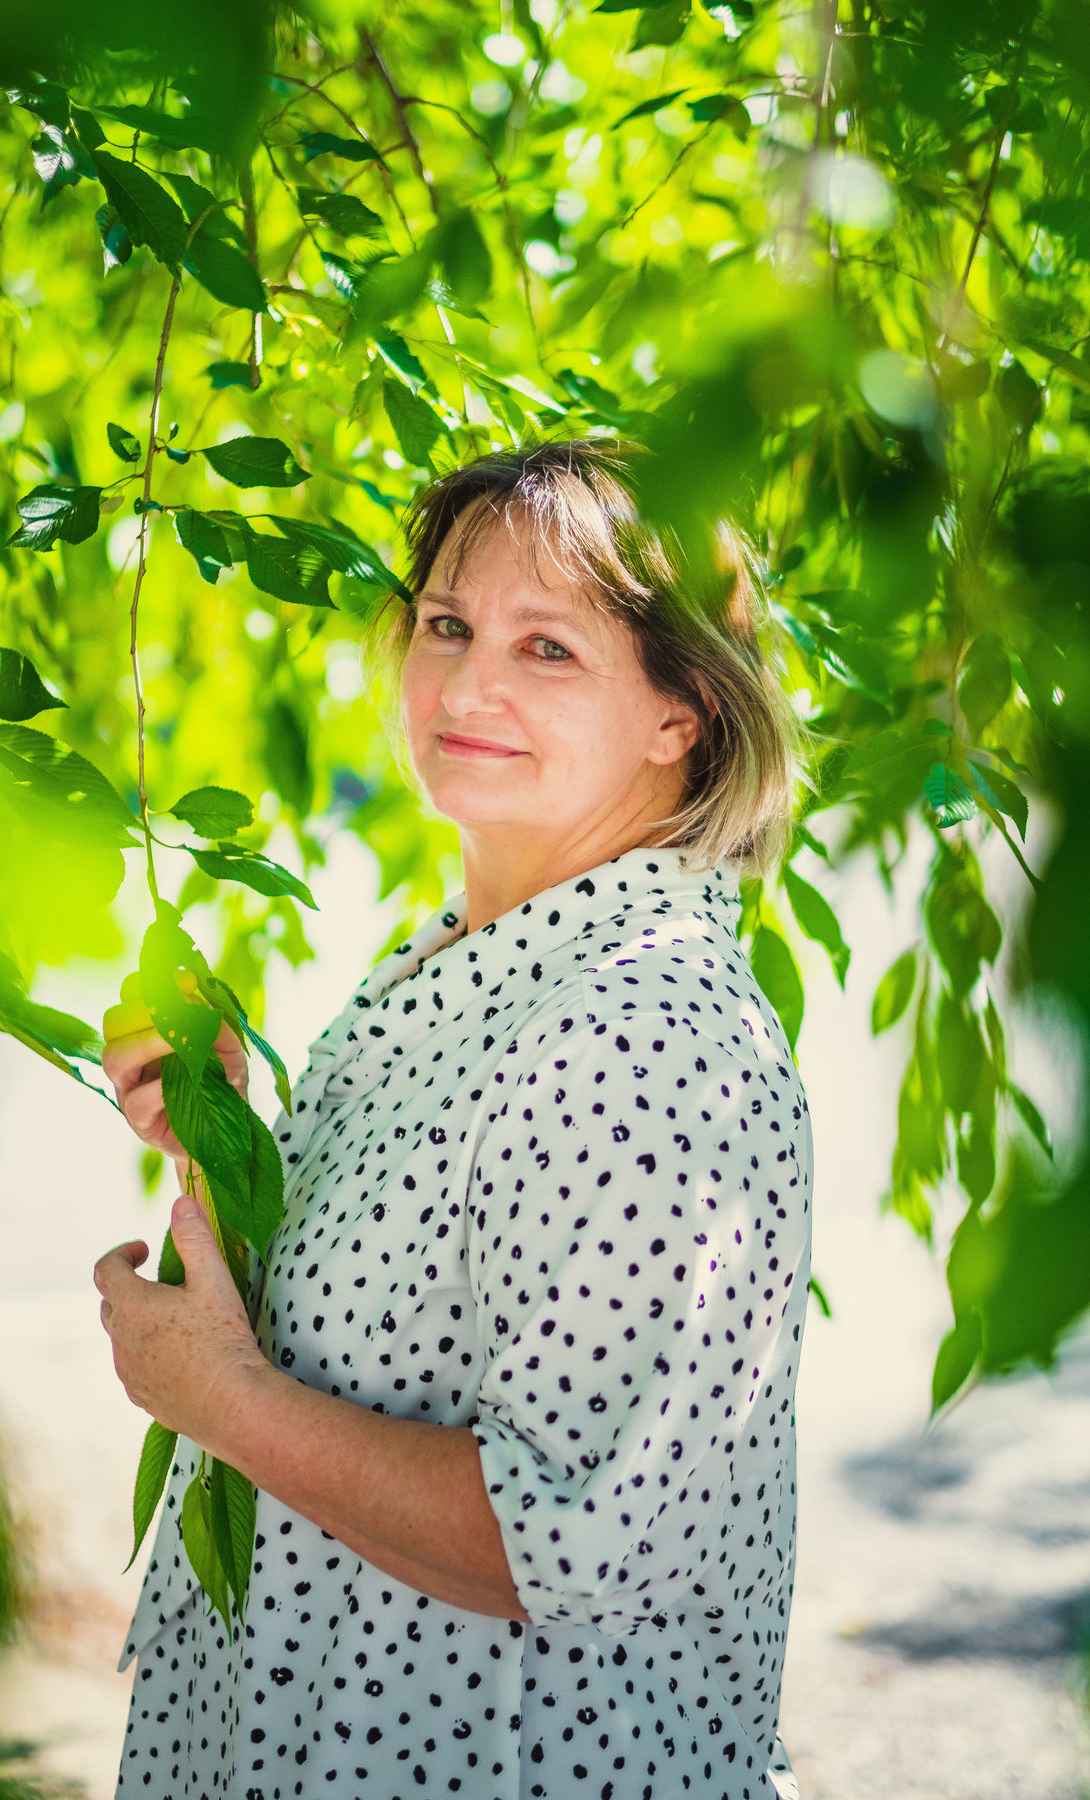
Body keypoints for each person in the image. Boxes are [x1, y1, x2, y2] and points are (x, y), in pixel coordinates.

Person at [95, 436, 814, 1800]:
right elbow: (391, 1321)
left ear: (684, 715)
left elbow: (565, 1543)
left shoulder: (636, 1038)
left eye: (549, 649)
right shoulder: (474, 963)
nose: (467, 683)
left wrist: (220, 1402)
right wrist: (228, 1136)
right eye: (447, 624)